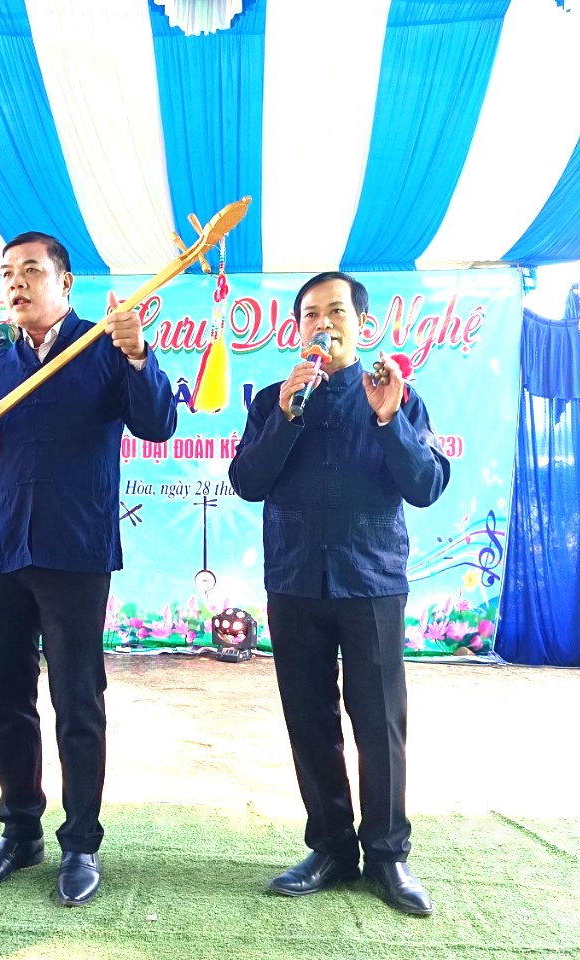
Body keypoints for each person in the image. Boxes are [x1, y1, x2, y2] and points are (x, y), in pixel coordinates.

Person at [0, 231, 177, 907]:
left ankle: (81, 843)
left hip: (75, 551)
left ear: (65, 283)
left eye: (31, 270)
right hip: (0, 550)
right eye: (8, 272)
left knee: (78, 703)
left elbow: (158, 423)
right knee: (7, 701)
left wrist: (138, 355)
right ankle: (19, 832)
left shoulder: (103, 345)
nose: (16, 282)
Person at [227, 271, 450, 916]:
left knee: (379, 723)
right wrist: (285, 416)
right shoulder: (273, 400)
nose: (322, 324)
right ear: (296, 329)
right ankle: (329, 847)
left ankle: (387, 856)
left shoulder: (396, 396)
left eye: (335, 312)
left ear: (363, 325)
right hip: (294, 581)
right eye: (310, 315)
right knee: (310, 721)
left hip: (370, 582)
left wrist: (388, 420)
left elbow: (426, 486)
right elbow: (247, 481)